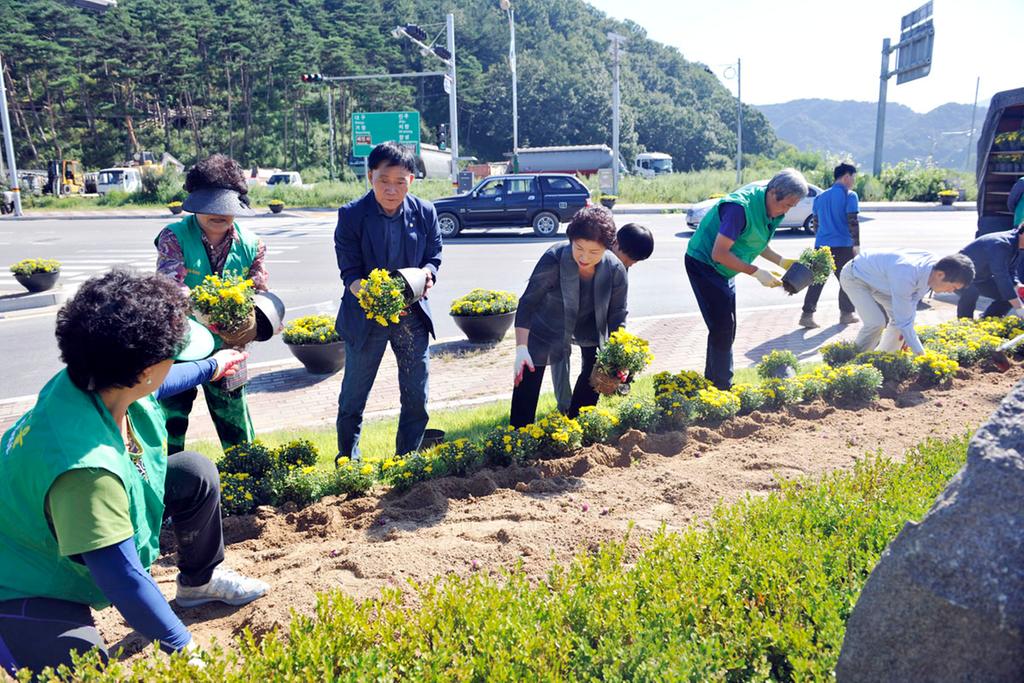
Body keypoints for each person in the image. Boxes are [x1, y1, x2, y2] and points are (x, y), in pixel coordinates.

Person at [0, 270, 269, 678]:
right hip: (21, 577)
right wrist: (184, 647)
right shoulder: (86, 473)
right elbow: (123, 579)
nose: (180, 361)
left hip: (51, 530)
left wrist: (213, 366)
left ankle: (199, 582)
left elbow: (163, 384)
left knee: (193, 473)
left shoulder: (94, 380)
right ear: (143, 371)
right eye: (175, 354)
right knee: (80, 670)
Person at [335, 142, 443, 461]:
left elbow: (434, 254)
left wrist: (429, 273)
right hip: (366, 317)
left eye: (400, 181)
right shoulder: (352, 215)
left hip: (411, 315)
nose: (392, 189)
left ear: (411, 179)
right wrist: (369, 295)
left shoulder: (425, 212)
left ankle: (406, 460)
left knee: (416, 394)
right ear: (370, 177)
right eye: (384, 180)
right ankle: (348, 460)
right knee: (354, 396)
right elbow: (349, 270)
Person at [155, 154, 268, 454]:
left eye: (226, 207)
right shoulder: (173, 237)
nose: (218, 214)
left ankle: (249, 478)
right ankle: (167, 485)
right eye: (209, 206)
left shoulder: (253, 244)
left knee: (236, 422)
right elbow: (169, 287)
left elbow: (259, 291)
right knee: (171, 421)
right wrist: (205, 311)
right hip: (180, 345)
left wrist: (256, 322)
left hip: (229, 349)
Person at [685, 168, 808, 389]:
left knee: (725, 327)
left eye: (792, 206)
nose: (787, 211)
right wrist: (756, 272)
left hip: (726, 268)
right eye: (787, 204)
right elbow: (719, 254)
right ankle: (722, 388)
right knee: (722, 326)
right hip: (704, 264)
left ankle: (713, 383)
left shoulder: (772, 209)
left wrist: (780, 261)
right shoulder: (738, 209)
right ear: (773, 192)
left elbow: (754, 239)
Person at [511, 206, 628, 427]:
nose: (584, 257)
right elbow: (528, 303)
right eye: (579, 248)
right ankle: (517, 437)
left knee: (596, 367)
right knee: (528, 370)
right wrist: (521, 349)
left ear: (607, 248)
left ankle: (577, 426)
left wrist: (619, 358)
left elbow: (617, 316)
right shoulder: (554, 258)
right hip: (548, 324)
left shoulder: (615, 270)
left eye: (594, 253)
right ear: (571, 240)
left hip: (591, 324)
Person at [551, 222, 653, 411]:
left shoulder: (620, 266)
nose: (631, 264)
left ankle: (581, 412)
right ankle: (565, 408)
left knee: (594, 365)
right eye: (630, 258)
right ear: (615, 244)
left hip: (594, 322)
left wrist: (618, 343)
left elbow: (618, 308)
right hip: (565, 316)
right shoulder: (591, 255)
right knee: (562, 363)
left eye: (636, 262)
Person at [839, 250, 975, 354]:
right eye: (953, 287)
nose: (951, 291)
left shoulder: (931, 272)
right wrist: (921, 354)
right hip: (855, 276)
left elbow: (909, 310)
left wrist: (908, 337)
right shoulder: (906, 274)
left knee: (900, 326)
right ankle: (852, 362)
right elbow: (904, 319)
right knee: (876, 322)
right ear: (940, 275)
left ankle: (885, 358)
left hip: (881, 281)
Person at [799, 162, 861, 329]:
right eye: (853, 177)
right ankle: (846, 314)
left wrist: (822, 239)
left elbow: (816, 224)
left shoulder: (820, 197)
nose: (853, 181)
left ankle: (807, 315)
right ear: (847, 176)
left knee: (817, 281)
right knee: (847, 280)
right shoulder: (850, 196)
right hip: (843, 245)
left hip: (822, 245)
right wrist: (856, 245)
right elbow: (852, 222)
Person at [957, 226, 1024, 319]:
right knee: (971, 291)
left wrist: (1017, 284)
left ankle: (989, 322)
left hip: (981, 278)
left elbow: (1011, 270)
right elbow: (1001, 275)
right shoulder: (1002, 243)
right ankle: (964, 327)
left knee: (1007, 296)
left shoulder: (1018, 245)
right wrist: (1020, 309)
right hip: (960, 276)